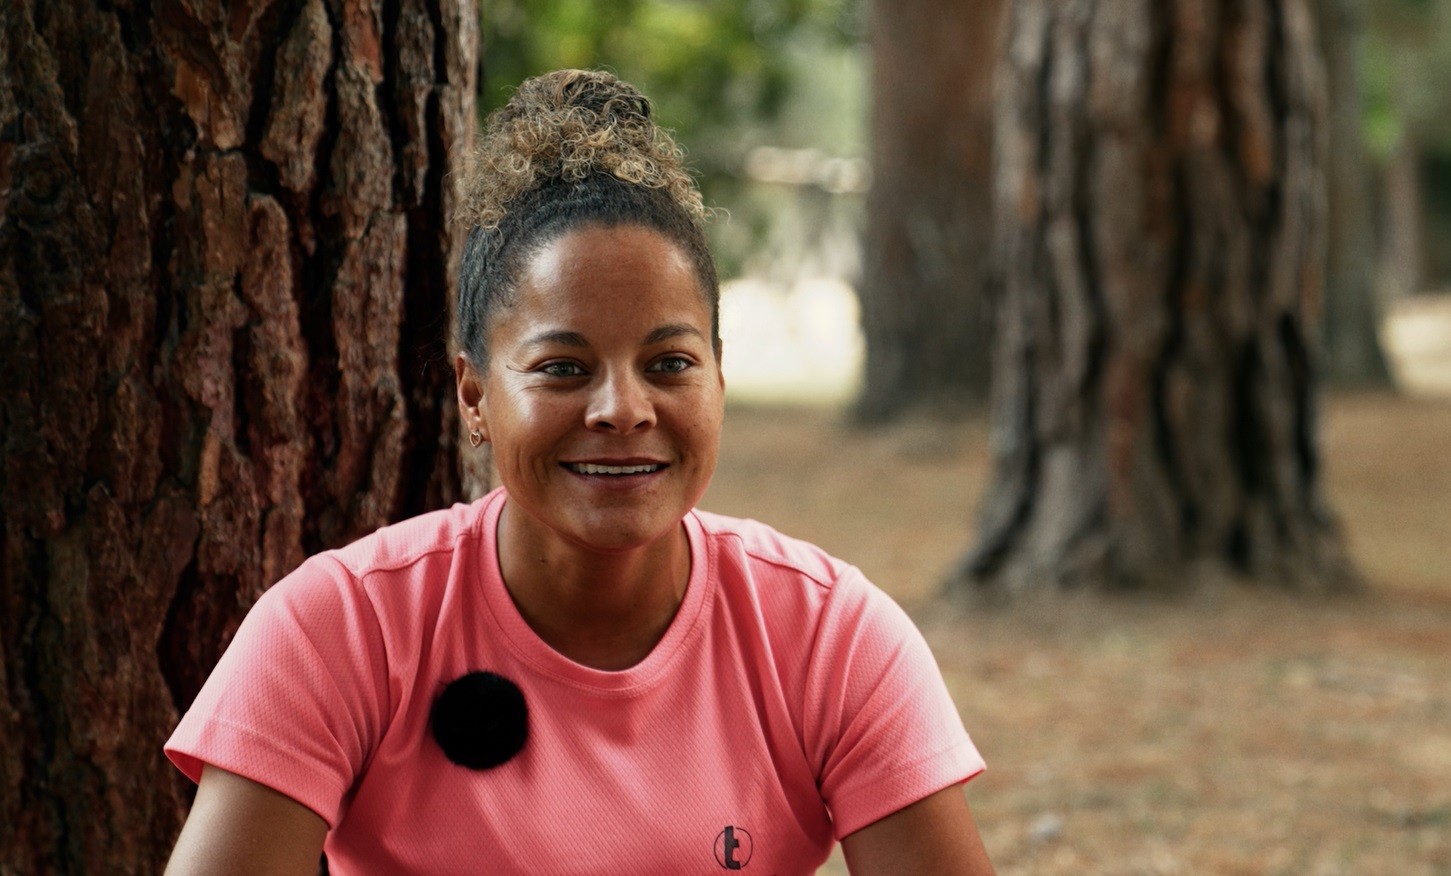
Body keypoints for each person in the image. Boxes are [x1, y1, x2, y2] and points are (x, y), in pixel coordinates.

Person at [164, 69, 994, 875]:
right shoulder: (337, 630)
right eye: (562, 368)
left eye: (669, 362)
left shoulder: (828, 637)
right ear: (474, 394)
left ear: (719, 377)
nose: (622, 409)